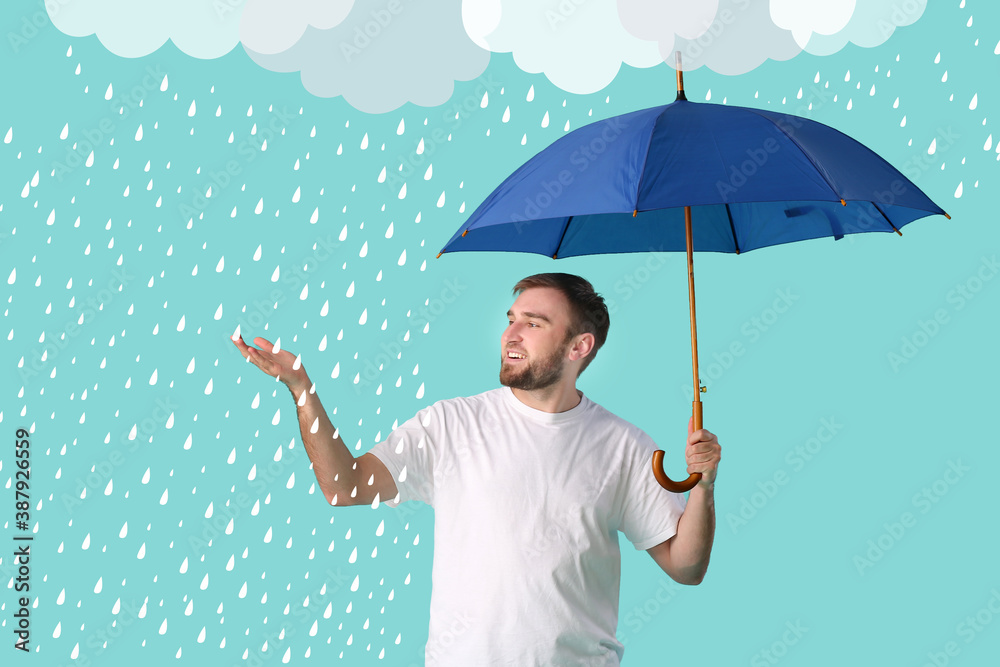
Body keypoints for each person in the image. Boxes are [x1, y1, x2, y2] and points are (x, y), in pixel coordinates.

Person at [233, 272, 721, 666]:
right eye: (511, 319)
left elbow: (686, 566)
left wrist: (703, 486)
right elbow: (345, 486)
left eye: (533, 323)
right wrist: (302, 390)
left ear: (579, 347)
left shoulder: (625, 447)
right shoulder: (451, 425)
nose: (510, 334)